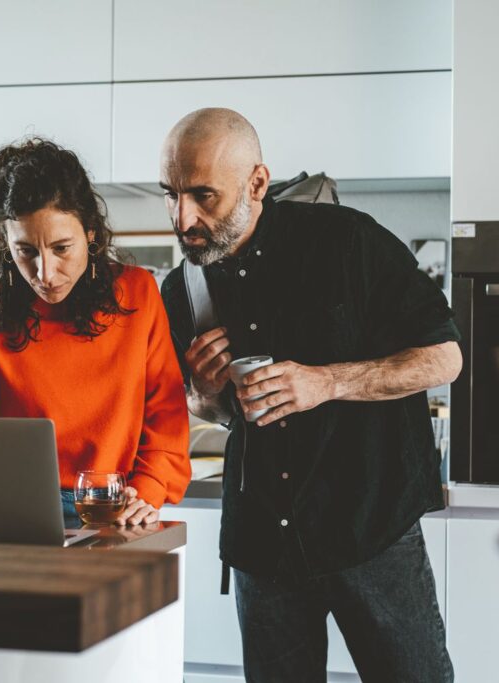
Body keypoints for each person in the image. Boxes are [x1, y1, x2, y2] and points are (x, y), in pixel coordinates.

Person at [159, 108, 461, 682]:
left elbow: (445, 358)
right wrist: (202, 391)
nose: (184, 218)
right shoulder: (184, 287)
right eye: (170, 195)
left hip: (370, 528)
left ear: (256, 183)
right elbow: (220, 414)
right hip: (262, 546)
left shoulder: (347, 242)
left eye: (203, 196)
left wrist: (327, 381)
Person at [0, 137, 191, 527]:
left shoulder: (138, 294)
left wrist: (146, 491)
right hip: (11, 514)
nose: (45, 274)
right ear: (6, 244)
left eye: (62, 248)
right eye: (26, 251)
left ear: (91, 235)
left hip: (113, 511)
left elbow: (166, 415)